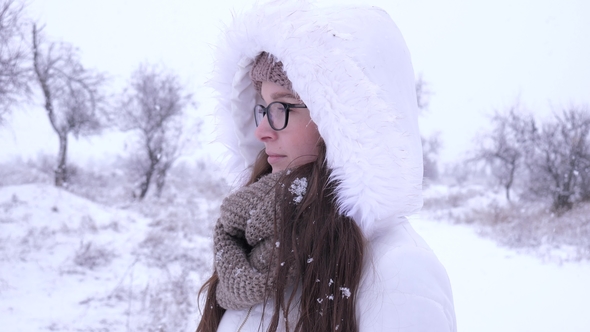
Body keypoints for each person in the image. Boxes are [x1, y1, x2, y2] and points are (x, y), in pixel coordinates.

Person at [197, 1, 456, 331]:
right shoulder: (254, 241)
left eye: (283, 106)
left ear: (344, 121)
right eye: (261, 107)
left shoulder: (399, 275)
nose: (262, 130)